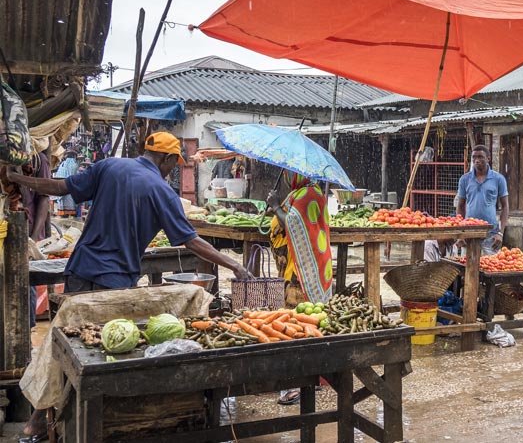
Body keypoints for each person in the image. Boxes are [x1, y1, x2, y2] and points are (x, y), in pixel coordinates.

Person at [6, 132, 251, 438]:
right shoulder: (162, 191)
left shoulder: (109, 165)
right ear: (168, 159)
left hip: (80, 269)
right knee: (102, 350)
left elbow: (60, 187)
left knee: (64, 345)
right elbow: (190, 241)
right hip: (115, 280)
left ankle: (38, 422)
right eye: (174, 163)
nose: (172, 168)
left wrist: (18, 178)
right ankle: (97, 422)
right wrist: (235, 264)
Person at [267, 170, 332, 405]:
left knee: (298, 324)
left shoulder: (308, 195)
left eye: (287, 174)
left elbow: (293, 225)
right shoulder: (298, 194)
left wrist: (276, 207)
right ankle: (305, 377)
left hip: (302, 272)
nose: (284, 177)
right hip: (294, 268)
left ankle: (299, 381)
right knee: (298, 322)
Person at [456, 145, 509, 255]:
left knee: (491, 267)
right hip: (469, 233)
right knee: (467, 268)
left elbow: (505, 206)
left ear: (488, 158)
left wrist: (500, 233)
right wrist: (460, 233)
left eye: (480, 157)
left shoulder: (498, 179)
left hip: (491, 234)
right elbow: (460, 206)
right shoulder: (465, 179)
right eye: (474, 157)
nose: (477, 160)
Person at [21, 149, 51, 329]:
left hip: (26, 233)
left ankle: (27, 332)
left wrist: (33, 237)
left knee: (25, 283)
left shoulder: (38, 160)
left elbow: (44, 197)